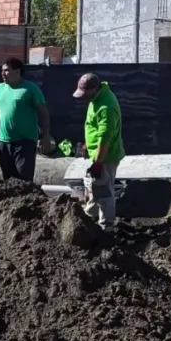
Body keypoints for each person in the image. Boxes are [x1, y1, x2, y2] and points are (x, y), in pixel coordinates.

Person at [0, 57, 52, 182]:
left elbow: (44, 113)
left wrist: (46, 136)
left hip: (25, 141)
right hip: (3, 141)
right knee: (8, 180)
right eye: (2, 71)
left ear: (17, 71)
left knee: (23, 180)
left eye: (6, 70)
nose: (3, 73)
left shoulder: (30, 89)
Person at [73, 73, 125, 231]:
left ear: (94, 89)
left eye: (85, 93)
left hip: (106, 155)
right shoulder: (95, 99)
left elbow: (105, 137)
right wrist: (88, 144)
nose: (83, 97)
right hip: (97, 153)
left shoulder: (106, 107)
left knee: (104, 192)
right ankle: (90, 216)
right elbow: (93, 126)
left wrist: (98, 162)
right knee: (93, 185)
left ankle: (106, 227)